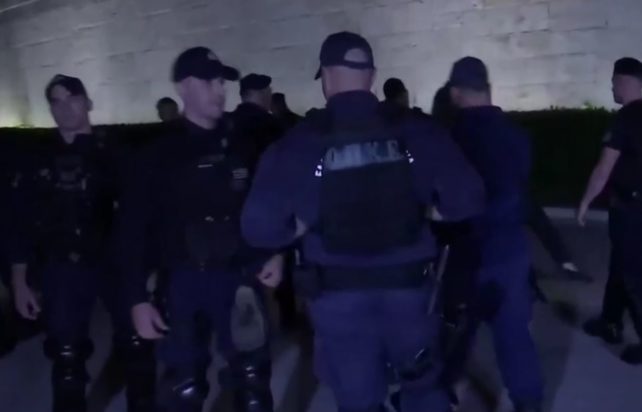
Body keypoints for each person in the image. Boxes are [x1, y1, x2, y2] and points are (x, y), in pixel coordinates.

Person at [241, 31, 485, 412]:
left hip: (338, 302)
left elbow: (258, 228)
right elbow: (469, 198)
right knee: (423, 388)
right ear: (371, 75)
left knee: (358, 400)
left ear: (326, 76)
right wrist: (424, 212)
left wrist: (299, 226)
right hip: (410, 295)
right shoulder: (417, 130)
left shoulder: (300, 142)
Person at [118, 47, 282, 412]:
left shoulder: (244, 144)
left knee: (253, 382)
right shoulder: (155, 155)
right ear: (183, 87)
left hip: (239, 279)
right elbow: (131, 231)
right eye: (209, 82)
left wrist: (274, 252)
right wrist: (136, 299)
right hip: (182, 282)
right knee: (183, 388)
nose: (219, 90)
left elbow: (267, 206)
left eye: (221, 82)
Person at [8, 74, 156, 412]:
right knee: (66, 355)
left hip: (116, 263)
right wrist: (19, 279)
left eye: (72, 99)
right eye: (56, 102)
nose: (65, 108)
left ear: (87, 102)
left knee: (137, 344)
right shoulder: (37, 159)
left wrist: (148, 270)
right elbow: (20, 221)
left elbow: (141, 215)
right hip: (63, 267)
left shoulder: (116, 154)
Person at [447, 57, 543, 412]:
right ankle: (528, 402)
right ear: (488, 89)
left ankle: (447, 388)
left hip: (467, 250)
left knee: (455, 329)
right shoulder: (517, 135)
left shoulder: (451, 137)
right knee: (515, 334)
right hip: (510, 247)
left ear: (456, 93)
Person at [578, 57, 642, 364]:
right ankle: (610, 321)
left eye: (614, 82)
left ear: (626, 81)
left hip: (631, 210)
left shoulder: (626, 118)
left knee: (633, 276)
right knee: (620, 266)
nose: (612, 88)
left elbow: (604, 168)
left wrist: (585, 202)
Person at [232, 73, 283, 156]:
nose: (270, 97)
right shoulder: (271, 124)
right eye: (269, 92)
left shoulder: (228, 121)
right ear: (262, 94)